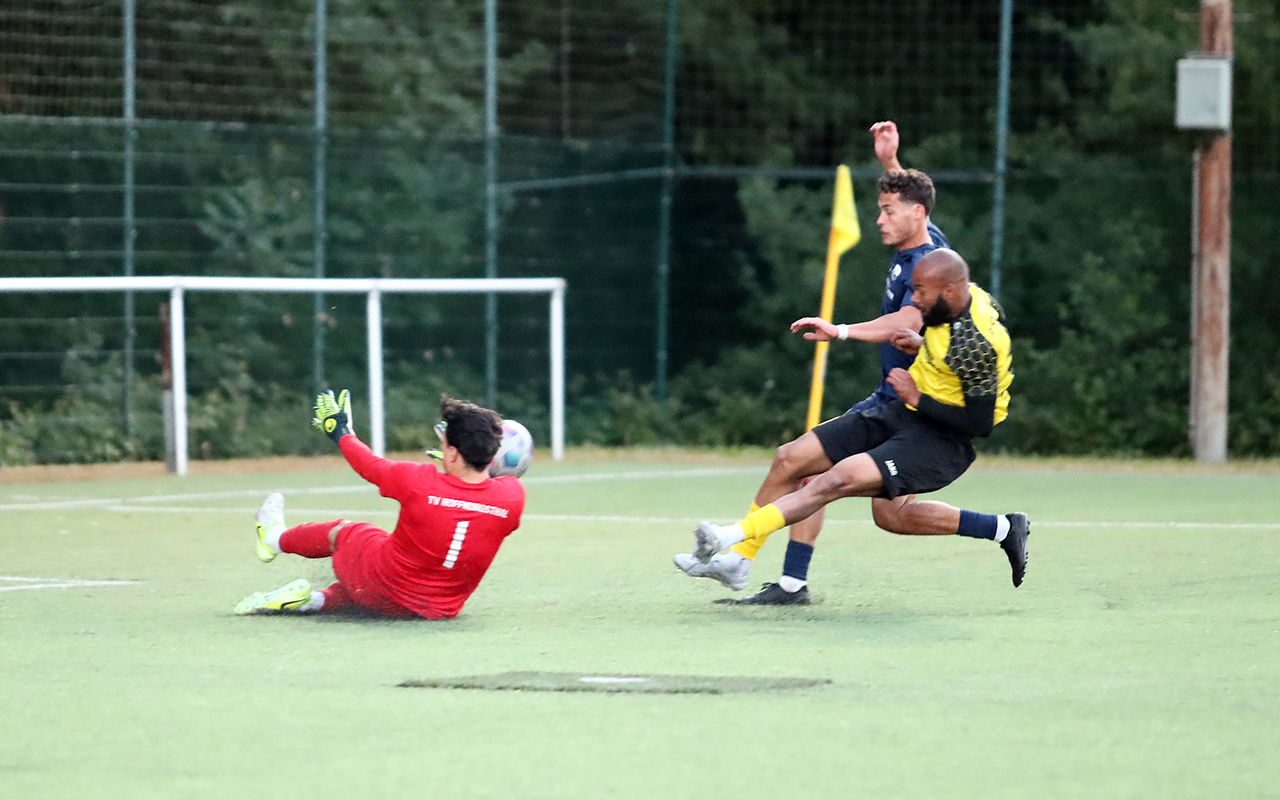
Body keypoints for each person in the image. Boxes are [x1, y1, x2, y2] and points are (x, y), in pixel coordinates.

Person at [676, 123, 1022, 601]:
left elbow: (906, 317)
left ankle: (1003, 528)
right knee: (792, 461)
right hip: (893, 403)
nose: (879, 219)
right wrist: (891, 164)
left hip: (924, 417)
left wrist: (839, 331)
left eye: (886, 210)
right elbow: (914, 204)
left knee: (880, 509)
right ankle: (755, 566)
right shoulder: (929, 245)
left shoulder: (931, 276)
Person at [234, 390, 525, 619]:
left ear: (452, 453)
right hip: (439, 610)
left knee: (348, 531)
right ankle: (313, 601)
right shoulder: (512, 496)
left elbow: (368, 464)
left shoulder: (418, 480)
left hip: (382, 587)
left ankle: (272, 538)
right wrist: (457, 467)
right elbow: (479, 491)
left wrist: (340, 431)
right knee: (391, 567)